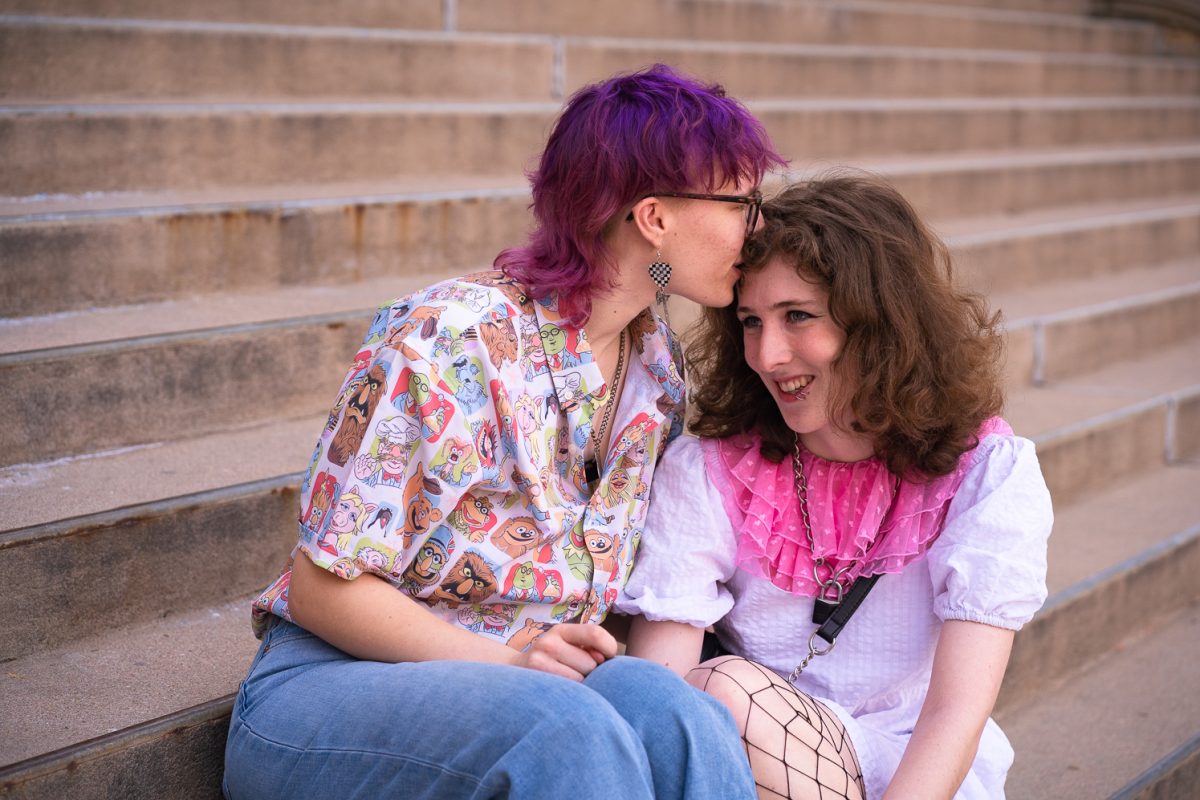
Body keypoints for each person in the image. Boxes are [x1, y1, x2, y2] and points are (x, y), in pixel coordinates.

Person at [222, 64, 787, 800]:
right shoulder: (450, 339)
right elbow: (322, 591)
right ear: (654, 217)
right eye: (744, 202)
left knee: (683, 718)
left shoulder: (657, 368)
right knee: (566, 727)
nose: (760, 226)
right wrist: (513, 665)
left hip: (530, 691)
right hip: (332, 687)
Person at [620, 174, 1053, 800]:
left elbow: (954, 714)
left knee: (720, 694)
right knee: (700, 695)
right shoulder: (710, 470)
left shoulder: (985, 471)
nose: (768, 355)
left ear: (878, 323)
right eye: (749, 321)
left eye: (798, 316)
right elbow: (660, 689)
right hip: (747, 764)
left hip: (918, 771)